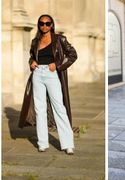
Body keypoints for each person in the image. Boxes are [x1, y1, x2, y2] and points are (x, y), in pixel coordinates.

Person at [19, 14, 77, 155]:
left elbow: (73, 55)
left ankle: (68, 144)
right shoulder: (35, 41)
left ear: (52, 24)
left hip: (52, 75)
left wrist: (57, 65)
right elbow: (32, 56)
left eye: (47, 23)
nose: (44, 26)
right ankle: (42, 143)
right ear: (39, 25)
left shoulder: (59, 39)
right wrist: (32, 62)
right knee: (39, 109)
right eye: (41, 23)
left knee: (59, 108)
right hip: (38, 74)